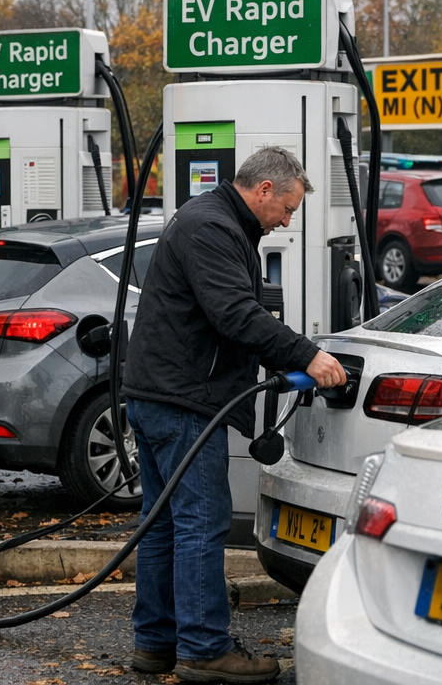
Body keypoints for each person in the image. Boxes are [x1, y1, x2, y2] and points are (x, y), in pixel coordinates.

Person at [123, 146, 346, 682]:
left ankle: (156, 642)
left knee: (162, 526)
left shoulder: (211, 219)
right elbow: (235, 314)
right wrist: (307, 355)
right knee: (200, 524)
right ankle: (203, 649)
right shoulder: (214, 228)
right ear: (264, 190)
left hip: (159, 394)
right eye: (287, 208)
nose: (287, 220)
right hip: (183, 401)